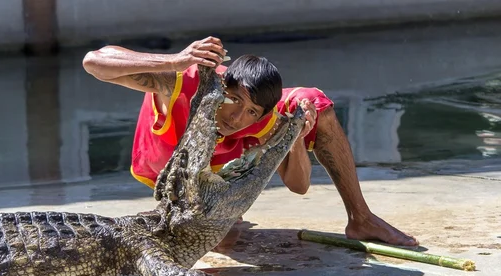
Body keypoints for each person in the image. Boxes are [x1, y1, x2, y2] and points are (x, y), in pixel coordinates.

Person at [82, 36, 418, 247]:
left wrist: (295, 135)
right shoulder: (186, 81)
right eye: (233, 101)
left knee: (313, 104)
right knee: (213, 238)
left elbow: (298, 187)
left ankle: (361, 218)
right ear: (221, 88)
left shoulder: (267, 117)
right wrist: (176, 60)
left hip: (221, 162)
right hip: (168, 158)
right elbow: (94, 61)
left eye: (251, 111)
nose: (236, 118)